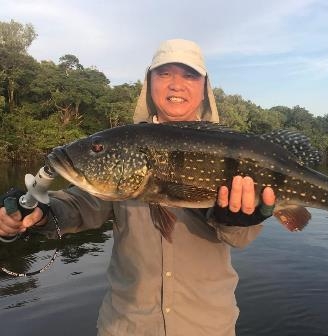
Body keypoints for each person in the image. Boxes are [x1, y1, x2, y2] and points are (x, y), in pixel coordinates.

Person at [0, 39, 275, 336]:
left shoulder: (231, 151)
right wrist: (40, 211)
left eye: (189, 75)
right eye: (164, 74)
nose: (176, 85)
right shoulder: (127, 146)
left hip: (209, 327)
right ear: (149, 83)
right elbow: (78, 207)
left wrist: (238, 219)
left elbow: (241, 237)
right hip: (127, 326)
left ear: (204, 87)